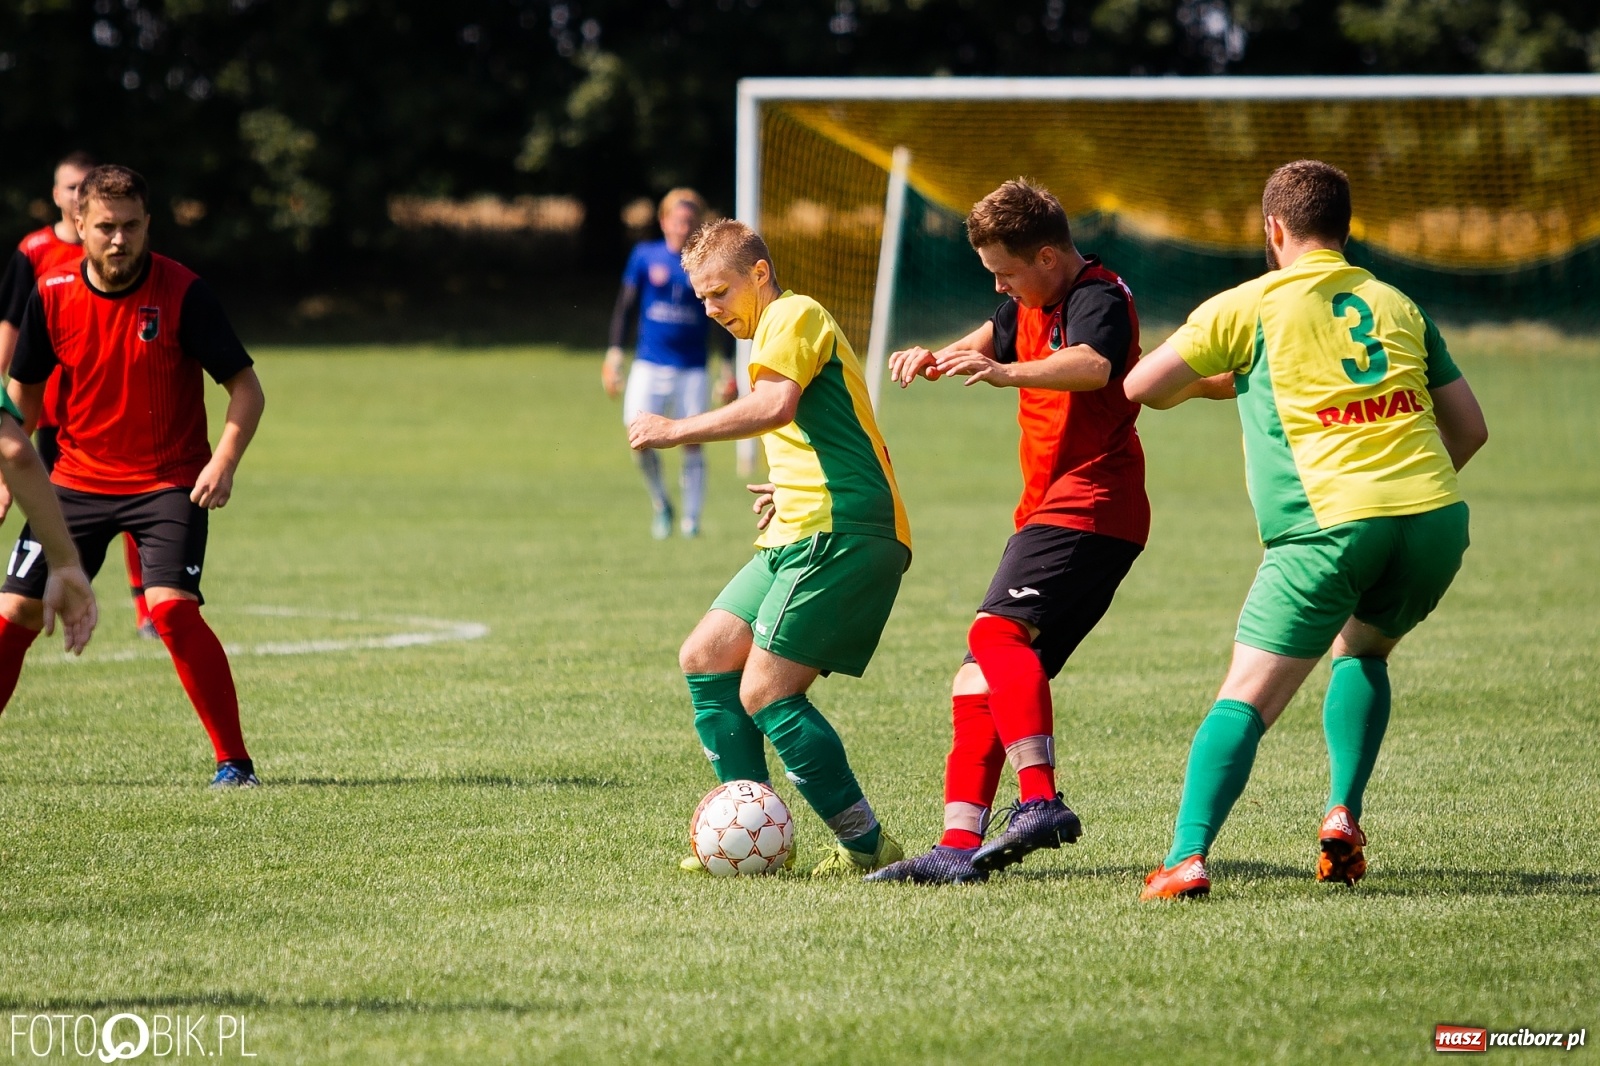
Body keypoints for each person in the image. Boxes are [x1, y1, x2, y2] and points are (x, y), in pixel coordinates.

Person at [1124, 159, 1488, 900]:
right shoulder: (1397, 303)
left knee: (1247, 698)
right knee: (1362, 648)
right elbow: (1472, 430)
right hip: (1433, 518)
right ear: (1344, 228)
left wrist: (1230, 374)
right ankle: (1343, 816)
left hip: (1328, 527)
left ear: (1274, 229)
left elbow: (1142, 387)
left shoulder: (1250, 304)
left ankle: (1186, 859)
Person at [865, 179, 1149, 886]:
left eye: (1006, 271)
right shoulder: (1019, 304)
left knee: (996, 638)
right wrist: (929, 356)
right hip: (1051, 510)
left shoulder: (1097, 296)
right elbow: (980, 342)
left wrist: (1004, 373)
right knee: (978, 677)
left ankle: (1040, 799)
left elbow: (1093, 365)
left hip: (1091, 506)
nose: (998, 284)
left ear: (1048, 257)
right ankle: (958, 845)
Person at [628, 218, 911, 876]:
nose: (710, 308)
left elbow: (778, 405)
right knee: (704, 656)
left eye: (719, 291)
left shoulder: (791, 313)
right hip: (802, 525)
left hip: (842, 530)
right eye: (701, 297)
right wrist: (790, 485)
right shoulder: (771, 332)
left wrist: (675, 430)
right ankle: (757, 836)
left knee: (765, 692)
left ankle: (867, 844)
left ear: (760, 274)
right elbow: (816, 423)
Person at [3, 164, 268, 789]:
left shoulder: (184, 292)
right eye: (104, 228)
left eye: (129, 227)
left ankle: (235, 763)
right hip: (73, 482)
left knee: (172, 611)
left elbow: (246, 389)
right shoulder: (52, 293)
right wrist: (8, 478)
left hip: (167, 484)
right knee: (12, 611)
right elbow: (24, 399)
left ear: (148, 224)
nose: (118, 240)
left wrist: (223, 461)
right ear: (78, 225)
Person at [0, 151, 154, 639]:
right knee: (46, 503)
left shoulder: (119, 248)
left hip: (110, 413)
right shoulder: (36, 253)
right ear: (59, 197)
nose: (73, 195)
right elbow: (11, 326)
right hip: (51, 420)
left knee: (137, 507)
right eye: (68, 187)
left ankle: (144, 606)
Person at [604, 188, 734, 539]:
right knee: (638, 437)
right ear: (664, 222)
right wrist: (614, 355)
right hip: (648, 365)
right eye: (678, 220)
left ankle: (692, 521)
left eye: (691, 222)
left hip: (692, 368)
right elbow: (625, 308)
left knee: (693, 440)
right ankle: (661, 504)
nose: (683, 227)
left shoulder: (706, 266)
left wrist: (728, 368)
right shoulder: (645, 257)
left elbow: (721, 319)